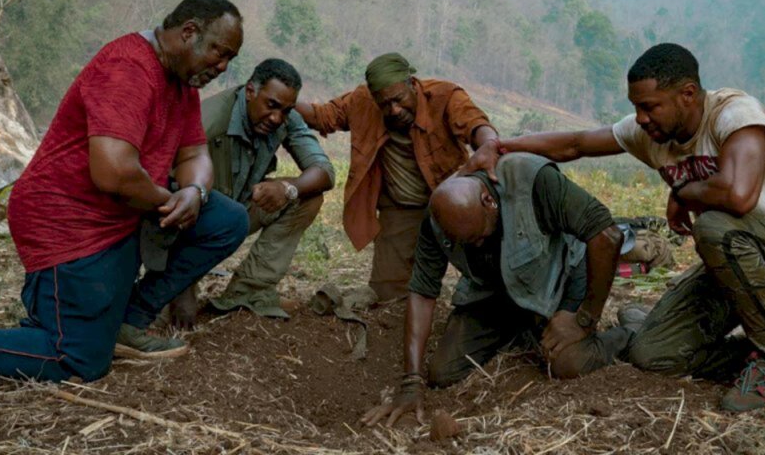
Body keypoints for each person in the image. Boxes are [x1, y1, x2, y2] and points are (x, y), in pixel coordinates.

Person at [464, 43, 765, 412]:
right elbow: (575, 144)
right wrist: (500, 146)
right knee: (652, 353)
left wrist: (684, 192)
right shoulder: (652, 134)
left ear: (687, 94)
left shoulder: (736, 115)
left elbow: (739, 197)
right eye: (635, 108)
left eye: (649, 106)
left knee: (714, 228)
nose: (641, 118)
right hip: (736, 265)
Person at [0, 0, 249, 382]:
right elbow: (113, 173)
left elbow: (195, 157)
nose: (222, 67)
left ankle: (128, 322)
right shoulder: (128, 67)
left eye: (229, 59)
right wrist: (169, 199)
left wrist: (195, 194)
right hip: (66, 221)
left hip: (123, 216)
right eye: (219, 53)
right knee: (76, 359)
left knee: (226, 220)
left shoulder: (183, 83)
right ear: (189, 32)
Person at [361, 152, 632, 427]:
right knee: (444, 373)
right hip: (498, 292)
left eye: (479, 236)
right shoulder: (438, 219)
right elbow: (422, 291)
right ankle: (528, 328)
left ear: (488, 201)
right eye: (467, 242)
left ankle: (629, 333)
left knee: (567, 364)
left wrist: (583, 319)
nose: (477, 246)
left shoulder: (532, 180)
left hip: (562, 278)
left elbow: (607, 236)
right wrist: (411, 382)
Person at [296, 53, 499, 301]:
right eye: (384, 105)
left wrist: (488, 144)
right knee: (387, 294)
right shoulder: (363, 101)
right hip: (401, 209)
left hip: (452, 203)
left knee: (489, 278)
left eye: (399, 100)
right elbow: (323, 116)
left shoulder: (445, 96)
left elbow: (475, 123)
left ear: (412, 84)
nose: (394, 110)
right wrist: (283, 101)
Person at [167, 59, 335, 326]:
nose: (277, 118)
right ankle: (178, 282)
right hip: (193, 222)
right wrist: (182, 286)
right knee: (170, 310)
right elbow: (167, 198)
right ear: (250, 92)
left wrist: (287, 189)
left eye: (286, 110)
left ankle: (249, 290)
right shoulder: (208, 122)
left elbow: (324, 171)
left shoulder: (285, 119)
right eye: (271, 106)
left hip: (237, 213)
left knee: (307, 195)